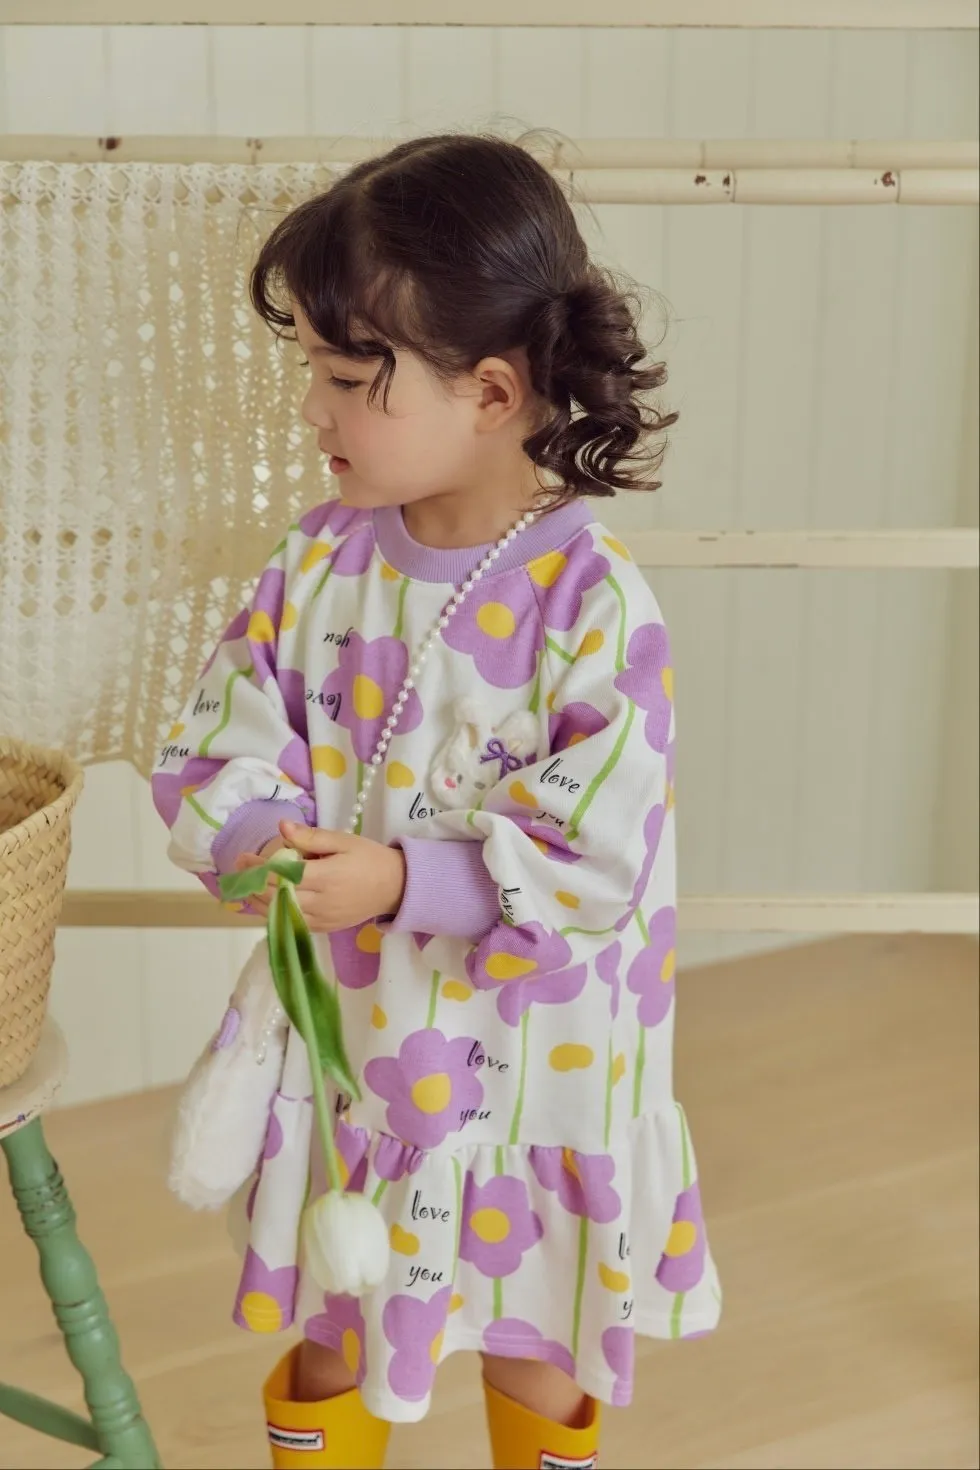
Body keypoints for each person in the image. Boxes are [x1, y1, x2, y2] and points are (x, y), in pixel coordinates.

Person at [152, 133, 721, 1470]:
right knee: (342, 1315)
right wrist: (263, 842)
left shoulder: (592, 602)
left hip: (538, 1065)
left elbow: (601, 848)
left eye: (350, 380)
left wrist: (407, 881)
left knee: (532, 1330)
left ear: (493, 390)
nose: (314, 411)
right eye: (311, 371)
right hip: (367, 1051)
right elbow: (224, 736)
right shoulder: (317, 564)